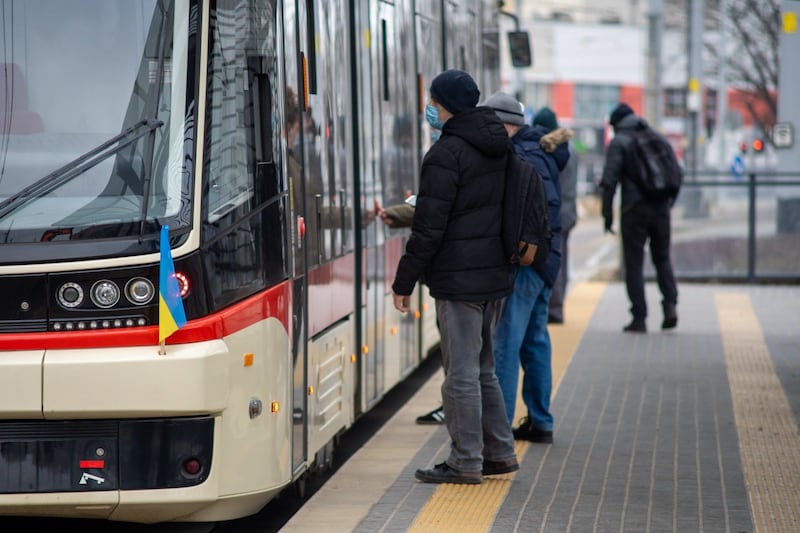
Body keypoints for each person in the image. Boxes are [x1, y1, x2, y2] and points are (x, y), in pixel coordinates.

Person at [392, 69, 518, 484]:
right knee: (484, 370)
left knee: (461, 373)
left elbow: (429, 226)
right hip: (494, 276)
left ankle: (466, 461)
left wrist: (404, 281)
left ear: (443, 104)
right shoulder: (499, 146)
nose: (429, 107)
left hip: (459, 280)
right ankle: (499, 452)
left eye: (432, 100)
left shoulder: (446, 154)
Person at [484, 92, 572, 444]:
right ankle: (540, 421)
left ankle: (500, 429)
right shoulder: (541, 150)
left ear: (505, 125)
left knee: (506, 341)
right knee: (535, 340)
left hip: (526, 262)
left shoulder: (520, 156)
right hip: (547, 259)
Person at [599, 103, 679, 333]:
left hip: (634, 210)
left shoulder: (620, 142)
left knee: (634, 265)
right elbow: (676, 172)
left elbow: (609, 182)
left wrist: (607, 217)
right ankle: (670, 306)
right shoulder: (657, 137)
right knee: (662, 258)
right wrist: (668, 201)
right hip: (661, 207)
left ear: (617, 124)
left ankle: (639, 317)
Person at [533, 107, 579, 325]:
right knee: (562, 262)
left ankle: (553, 310)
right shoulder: (571, 150)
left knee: (551, 263)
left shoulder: (549, 150)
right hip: (569, 212)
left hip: (554, 213)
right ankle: (557, 306)